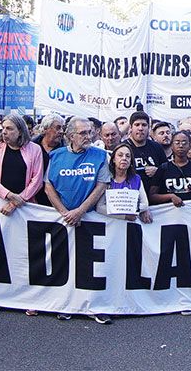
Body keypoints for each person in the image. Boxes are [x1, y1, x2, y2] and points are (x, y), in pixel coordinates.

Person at [42, 117, 110, 323]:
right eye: (83, 133)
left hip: (89, 219)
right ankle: (67, 305)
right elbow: (48, 186)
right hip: (64, 220)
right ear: (70, 136)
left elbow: (101, 185)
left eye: (90, 132)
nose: (88, 136)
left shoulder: (100, 155)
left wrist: (80, 211)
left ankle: (96, 306)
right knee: (65, 264)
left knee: (93, 266)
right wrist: (65, 212)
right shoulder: (56, 156)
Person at [0, 113, 45, 217]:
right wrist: (9, 195)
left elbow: (37, 181)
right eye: (3, 128)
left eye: (9, 128)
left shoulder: (35, 149)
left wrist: (15, 202)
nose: (4, 132)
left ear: (20, 131)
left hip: (25, 206)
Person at [152, 131, 191, 206]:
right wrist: (170, 196)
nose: (181, 146)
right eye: (177, 143)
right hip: (170, 214)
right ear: (172, 146)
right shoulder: (163, 168)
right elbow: (152, 196)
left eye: (184, 143)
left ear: (189, 146)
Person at [95, 144, 152, 223]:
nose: (124, 158)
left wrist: (133, 209)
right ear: (114, 159)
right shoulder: (107, 179)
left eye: (128, 156)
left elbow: (145, 204)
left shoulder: (136, 179)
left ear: (131, 161)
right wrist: (124, 216)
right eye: (120, 155)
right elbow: (100, 207)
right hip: (111, 226)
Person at [31, 114, 65, 206]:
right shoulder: (30, 147)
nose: (61, 131)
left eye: (62, 128)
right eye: (58, 128)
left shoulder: (66, 150)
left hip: (57, 201)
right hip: (32, 199)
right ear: (45, 129)